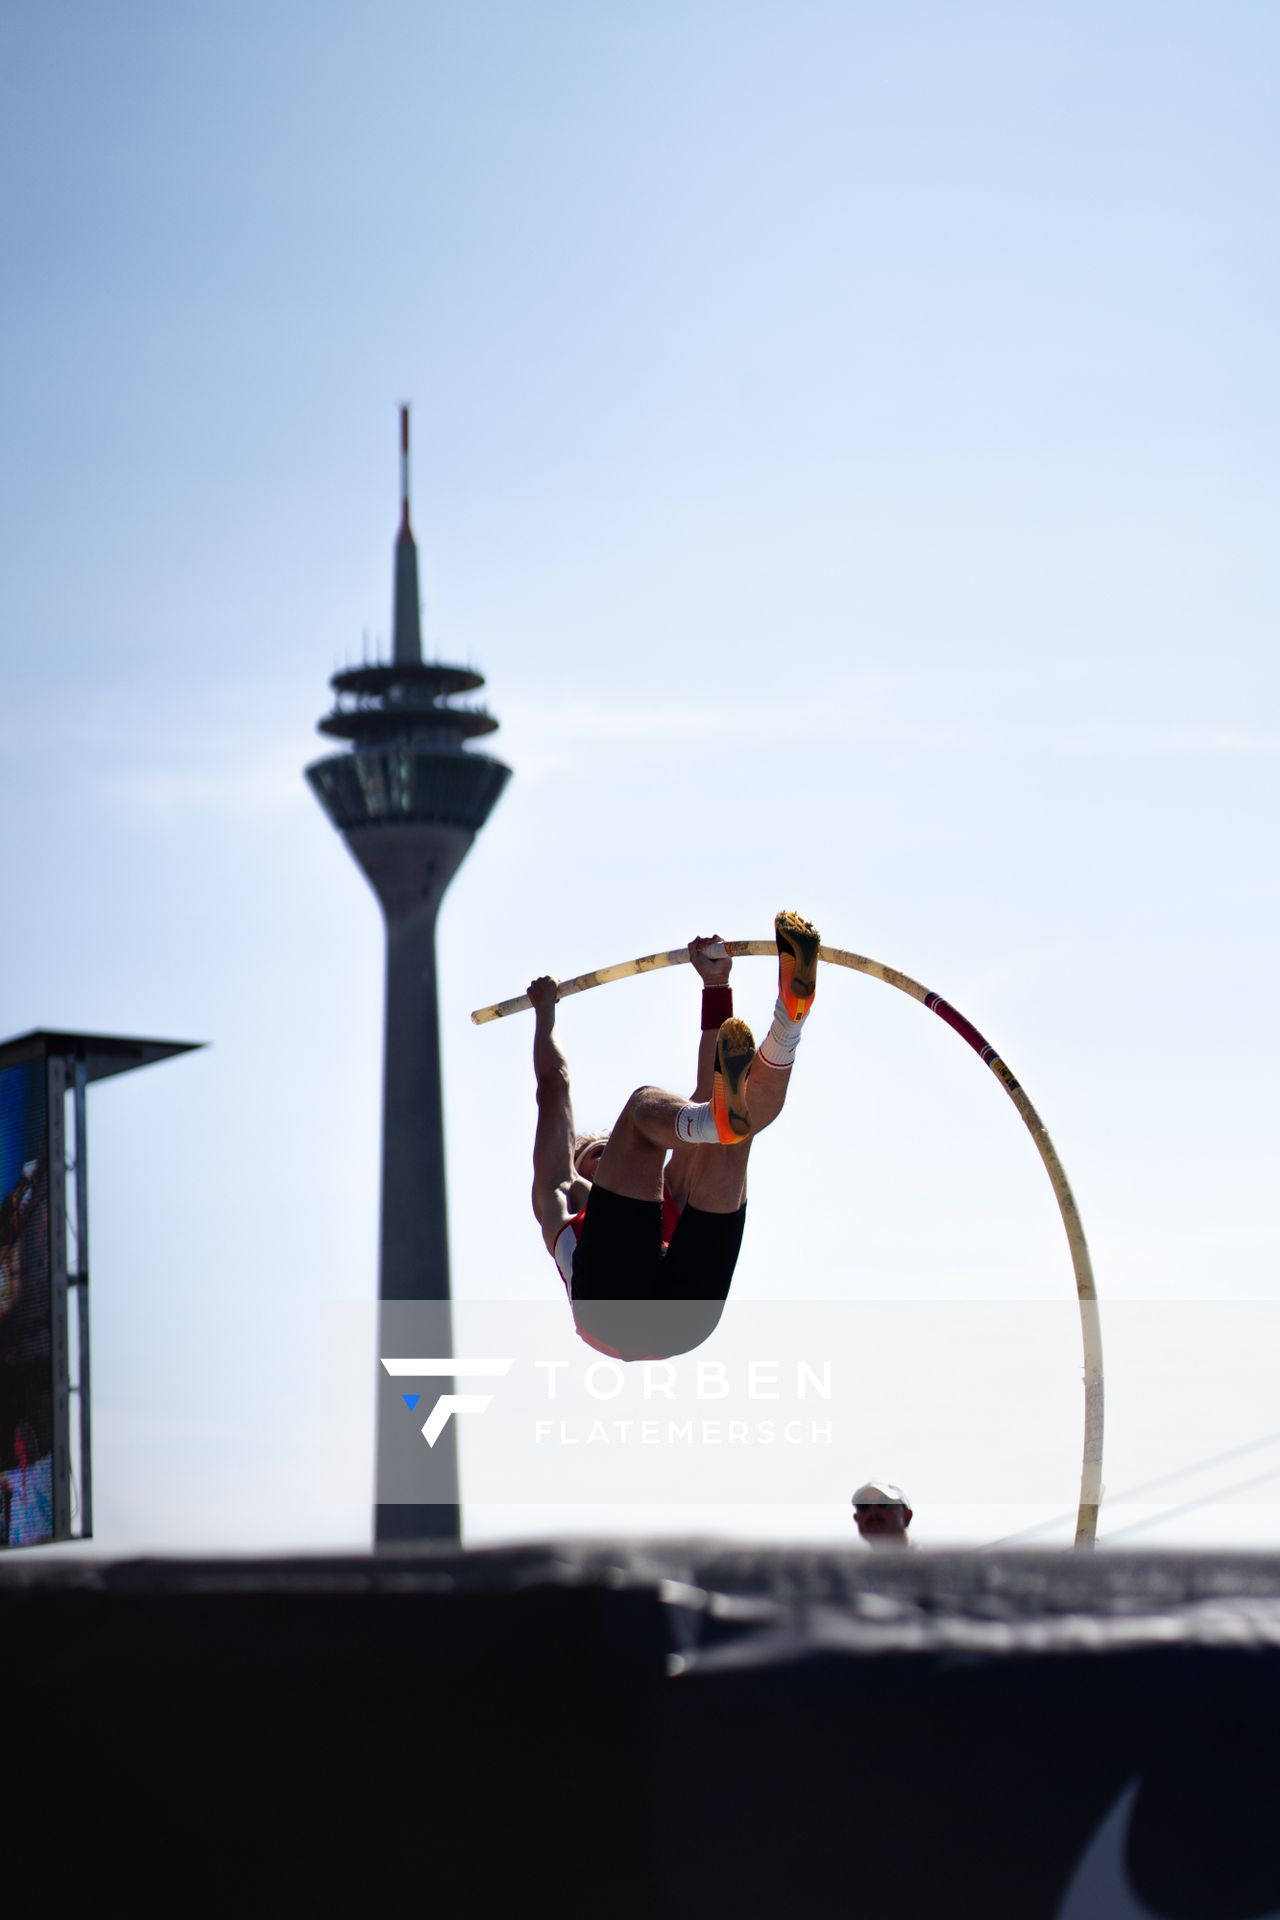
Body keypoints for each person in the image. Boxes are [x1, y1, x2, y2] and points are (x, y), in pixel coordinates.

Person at [530, 911, 821, 1360]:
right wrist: (544, 1012)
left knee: (725, 1131)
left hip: (683, 1317)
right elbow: (554, 1087)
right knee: (650, 1108)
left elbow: (709, 1090)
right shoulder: (562, 1195)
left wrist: (716, 985)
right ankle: (722, 1117)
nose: (608, 1157)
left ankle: (788, 1022)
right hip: (615, 1312)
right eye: (595, 1152)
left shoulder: (673, 1187)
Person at [852, 1479, 914, 1548]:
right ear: (856, 1518)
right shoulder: (848, 1558)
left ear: (906, 1516)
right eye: (864, 1506)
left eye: (883, 1503)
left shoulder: (925, 1558)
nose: (873, 1513)